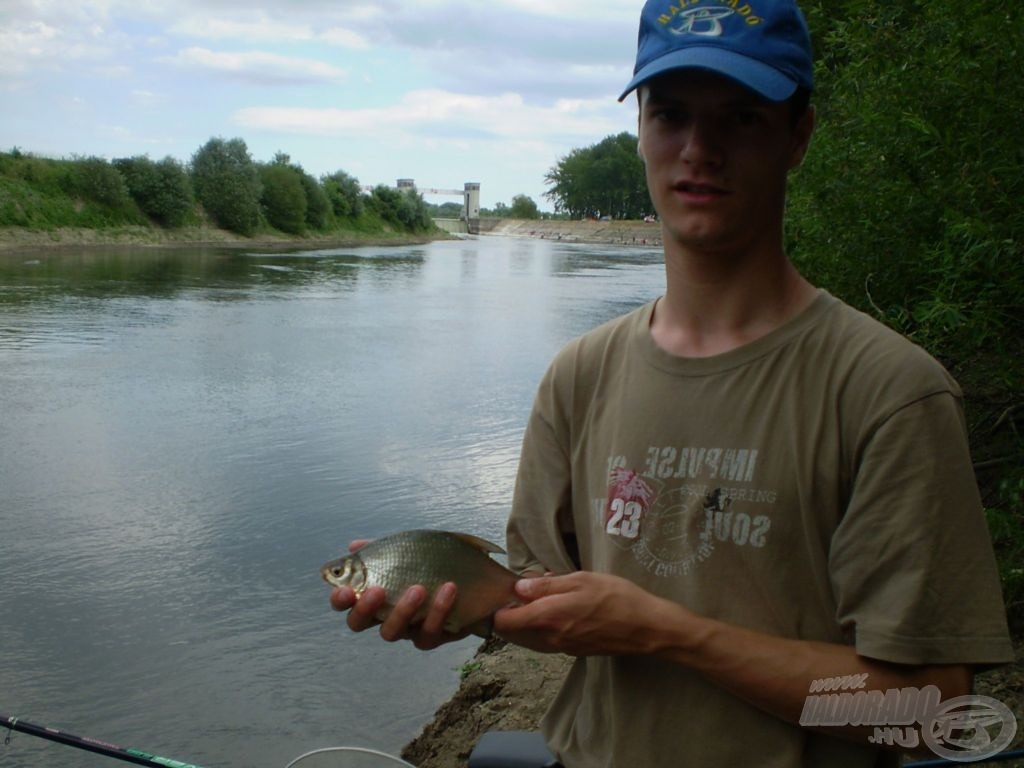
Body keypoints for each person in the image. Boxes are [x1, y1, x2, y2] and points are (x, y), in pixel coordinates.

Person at [331, 1, 1015, 765]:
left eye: (742, 118)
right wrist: (451, 603)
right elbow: (535, 604)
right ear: (641, 132)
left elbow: (931, 715)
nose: (699, 149)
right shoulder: (579, 375)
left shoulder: (889, 390)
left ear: (799, 136)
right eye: (671, 114)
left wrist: (669, 633)